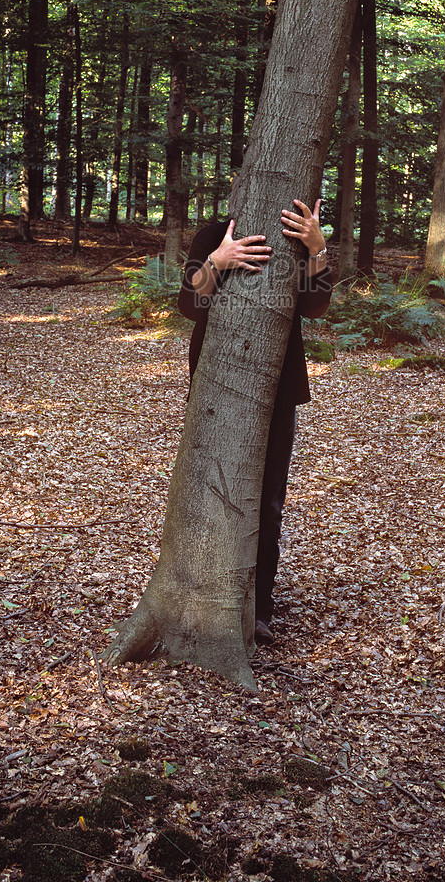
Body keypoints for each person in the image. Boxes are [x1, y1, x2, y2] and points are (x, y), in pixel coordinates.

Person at [178, 199, 332, 645]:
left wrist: (317, 249)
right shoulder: (212, 234)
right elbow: (189, 304)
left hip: (278, 389)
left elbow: (315, 306)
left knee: (267, 503)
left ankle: (259, 608)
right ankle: (199, 596)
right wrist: (215, 262)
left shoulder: (297, 235)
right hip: (215, 388)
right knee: (208, 491)